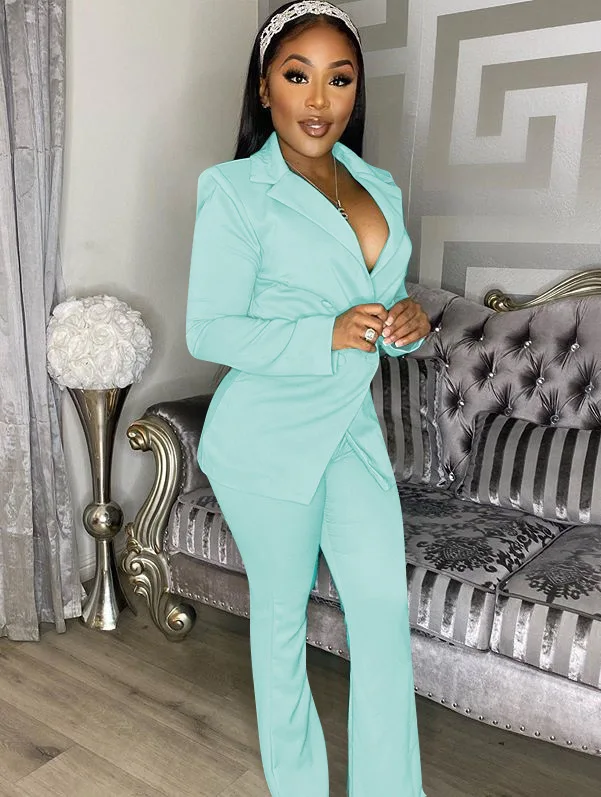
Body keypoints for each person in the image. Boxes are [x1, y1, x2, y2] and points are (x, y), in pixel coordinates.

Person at [185, 3, 431, 795]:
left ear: (357, 90)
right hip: (268, 438)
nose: (319, 100)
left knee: (383, 617)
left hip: (350, 428)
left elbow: (379, 311)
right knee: (282, 622)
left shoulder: (379, 186)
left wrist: (407, 325)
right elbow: (209, 329)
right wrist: (323, 333)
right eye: (298, 76)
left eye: (339, 78)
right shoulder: (234, 190)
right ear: (265, 89)